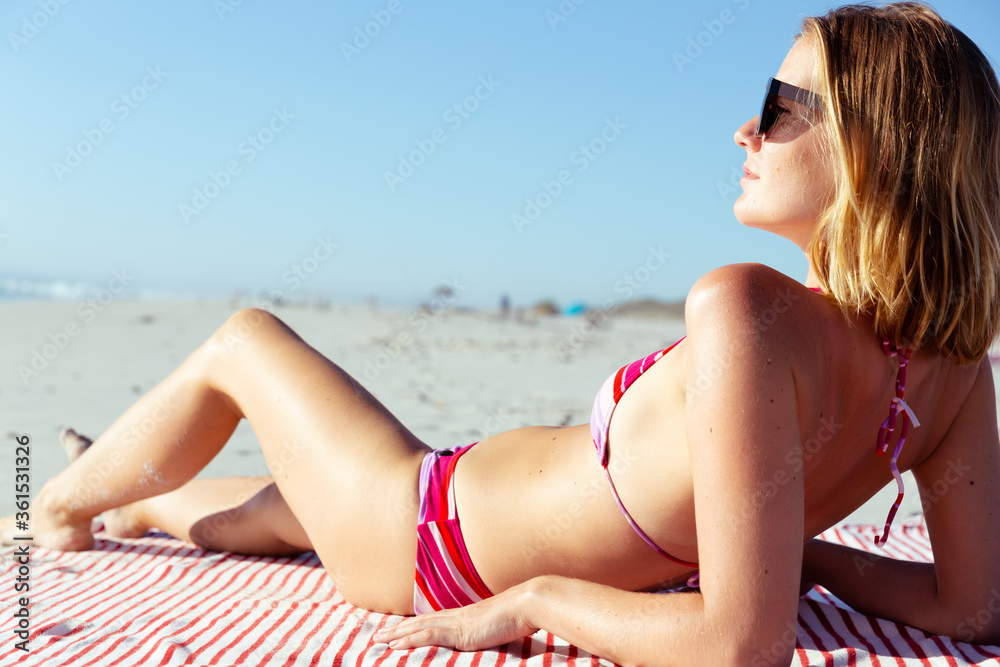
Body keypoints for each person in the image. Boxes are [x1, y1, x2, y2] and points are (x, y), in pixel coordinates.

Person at [4, 2, 1000, 663]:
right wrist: (811, 558)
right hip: (444, 489)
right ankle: (130, 498)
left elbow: (740, 646)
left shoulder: (750, 310)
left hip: (428, 531)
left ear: (872, 149)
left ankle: (53, 508)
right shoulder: (955, 372)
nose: (745, 131)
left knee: (243, 343)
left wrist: (538, 603)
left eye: (777, 108)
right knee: (269, 510)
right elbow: (968, 608)